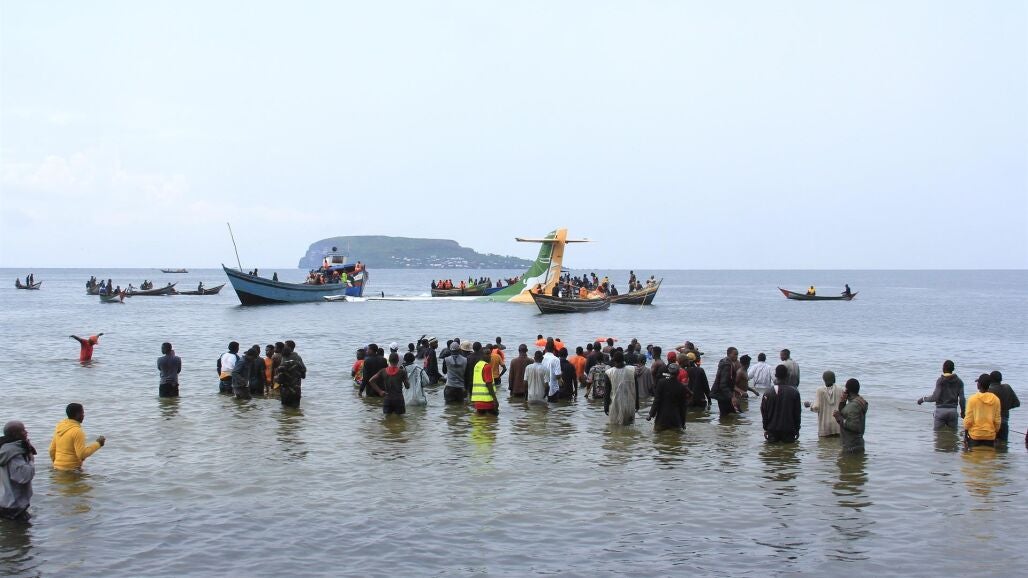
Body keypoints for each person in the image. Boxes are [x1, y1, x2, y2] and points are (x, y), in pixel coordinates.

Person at [48, 403, 105, 471]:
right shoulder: (77, 431)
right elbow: (82, 454)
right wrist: (98, 444)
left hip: (57, 469)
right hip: (71, 470)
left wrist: (57, 464)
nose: (83, 415)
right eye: (82, 413)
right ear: (78, 415)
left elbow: (51, 450)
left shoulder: (60, 427)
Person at [0, 421, 35, 521]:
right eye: (23, 430)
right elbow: (24, 476)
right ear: (15, 434)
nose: (26, 432)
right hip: (13, 506)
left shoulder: (4, 449)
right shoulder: (14, 453)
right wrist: (31, 460)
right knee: (21, 530)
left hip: (4, 501)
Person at [916, 360, 966, 430]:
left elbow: (935, 397)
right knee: (953, 434)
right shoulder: (959, 381)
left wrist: (923, 399)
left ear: (943, 368)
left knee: (938, 434)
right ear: (953, 369)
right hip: (953, 412)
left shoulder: (940, 380)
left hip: (940, 412)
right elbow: (962, 399)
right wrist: (963, 412)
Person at [761, 365, 802, 442]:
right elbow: (797, 413)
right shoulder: (794, 392)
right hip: (789, 430)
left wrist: (766, 428)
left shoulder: (768, 393)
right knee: (789, 449)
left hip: (772, 430)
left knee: (772, 449)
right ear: (787, 375)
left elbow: (764, 412)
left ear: (775, 375)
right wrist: (797, 429)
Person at [647, 363, 691, 432]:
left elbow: (657, 400)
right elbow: (683, 407)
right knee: (675, 437)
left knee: (658, 437)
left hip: (661, 419)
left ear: (669, 372)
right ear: (678, 373)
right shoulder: (681, 387)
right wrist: (683, 423)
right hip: (675, 420)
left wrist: (651, 414)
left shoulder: (661, 383)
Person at [963, 374, 1001, 448]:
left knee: (973, 455)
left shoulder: (972, 399)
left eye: (978, 382)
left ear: (979, 385)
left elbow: (968, 420)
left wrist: (965, 435)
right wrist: (995, 432)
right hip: (990, 435)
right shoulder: (996, 400)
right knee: (988, 455)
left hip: (975, 435)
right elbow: (997, 420)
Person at [604, 350, 639, 425]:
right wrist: (637, 404)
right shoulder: (632, 371)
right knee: (629, 426)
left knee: (615, 426)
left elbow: (607, 392)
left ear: (614, 361)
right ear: (623, 360)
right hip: (629, 404)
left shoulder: (609, 373)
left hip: (615, 404)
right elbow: (636, 389)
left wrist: (606, 407)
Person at [834, 378, 867, 454]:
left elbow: (853, 426)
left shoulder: (853, 406)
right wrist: (843, 402)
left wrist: (839, 418)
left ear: (848, 390)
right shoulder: (860, 401)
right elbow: (844, 412)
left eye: (846, 389)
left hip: (851, 447)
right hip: (858, 444)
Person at [805, 370, 842, 437]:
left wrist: (809, 404)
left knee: (824, 443)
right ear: (834, 379)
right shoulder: (840, 389)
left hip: (825, 426)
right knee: (837, 443)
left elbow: (816, 407)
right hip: (837, 424)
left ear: (824, 379)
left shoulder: (820, 390)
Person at [987, 371, 1020, 444]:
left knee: (992, 446)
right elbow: (1017, 403)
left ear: (990, 380)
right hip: (1004, 422)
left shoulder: (989, 391)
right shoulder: (1007, 387)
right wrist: (1005, 407)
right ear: (1001, 379)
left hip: (992, 423)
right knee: (1003, 446)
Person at [711, 347, 739, 416]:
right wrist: (732, 397)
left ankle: (723, 423)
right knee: (728, 415)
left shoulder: (726, 362)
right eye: (735, 354)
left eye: (737, 354)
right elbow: (723, 384)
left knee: (728, 415)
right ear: (729, 354)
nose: (736, 356)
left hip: (724, 394)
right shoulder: (727, 365)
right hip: (723, 395)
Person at [276, 343, 306, 408]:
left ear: (283, 355)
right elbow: (303, 376)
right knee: (296, 410)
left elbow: (280, 380)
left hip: (286, 392)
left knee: (285, 410)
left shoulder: (282, 365)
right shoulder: (298, 361)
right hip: (297, 391)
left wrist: (275, 378)